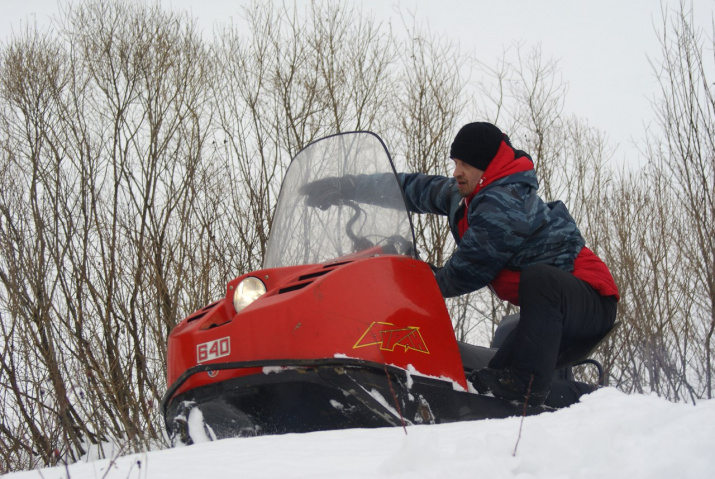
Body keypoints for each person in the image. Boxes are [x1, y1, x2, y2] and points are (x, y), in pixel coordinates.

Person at [303, 122, 620, 407]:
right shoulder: (466, 193)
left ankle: (539, 389)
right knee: (489, 383)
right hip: (550, 315)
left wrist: (405, 280)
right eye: (455, 162)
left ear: (487, 167)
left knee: (538, 287)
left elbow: (464, 272)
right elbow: (414, 188)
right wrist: (347, 186)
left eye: (466, 164)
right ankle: (586, 402)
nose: (457, 171)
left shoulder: (505, 204)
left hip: (589, 301)